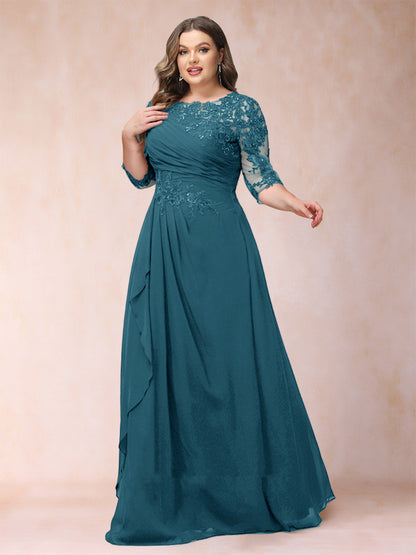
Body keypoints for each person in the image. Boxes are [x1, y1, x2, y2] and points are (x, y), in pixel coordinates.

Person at [105, 15, 335, 547]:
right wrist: (127, 134)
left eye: (202, 48)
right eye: (183, 50)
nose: (192, 59)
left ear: (220, 55)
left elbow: (261, 180)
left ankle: (246, 490)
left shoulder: (243, 109)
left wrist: (297, 204)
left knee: (234, 361)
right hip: (164, 247)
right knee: (172, 363)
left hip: (222, 248)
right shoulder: (160, 108)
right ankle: (183, 492)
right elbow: (141, 177)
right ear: (175, 58)